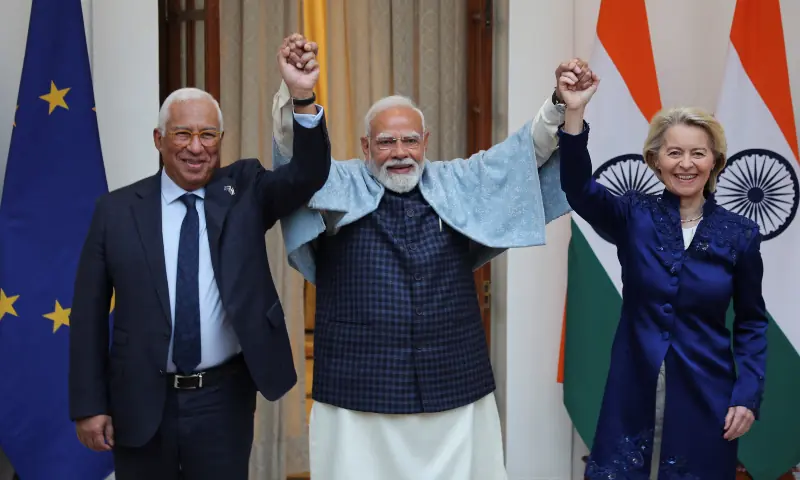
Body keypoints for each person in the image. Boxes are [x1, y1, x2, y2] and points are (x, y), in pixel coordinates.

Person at [271, 34, 594, 479]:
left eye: (409, 141)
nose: (400, 153)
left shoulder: (457, 180)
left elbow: (525, 154)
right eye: (385, 142)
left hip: (453, 381)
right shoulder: (335, 181)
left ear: (425, 141)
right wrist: (301, 95)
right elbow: (296, 158)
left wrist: (560, 102)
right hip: (358, 386)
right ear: (365, 148)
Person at [67, 37, 331, 480]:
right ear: (158, 139)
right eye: (182, 134)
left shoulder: (245, 188)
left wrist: (302, 96)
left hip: (221, 398)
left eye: (207, 134)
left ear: (220, 140)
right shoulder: (115, 212)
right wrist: (90, 405)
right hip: (139, 398)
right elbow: (88, 315)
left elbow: (307, 175)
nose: (196, 146)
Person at [556, 69, 768, 479]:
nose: (685, 164)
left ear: (715, 162)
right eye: (674, 153)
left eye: (698, 153)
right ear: (655, 160)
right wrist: (574, 113)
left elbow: (752, 321)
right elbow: (578, 187)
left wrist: (748, 393)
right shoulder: (633, 214)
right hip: (634, 380)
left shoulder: (740, 234)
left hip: (707, 389)